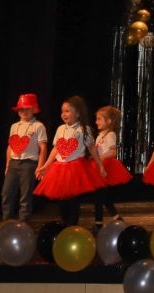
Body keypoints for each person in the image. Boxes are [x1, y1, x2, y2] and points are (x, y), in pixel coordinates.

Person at [34, 96, 106, 225]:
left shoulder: (84, 129)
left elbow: (91, 148)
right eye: (62, 111)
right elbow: (56, 149)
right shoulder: (60, 129)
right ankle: (65, 224)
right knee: (62, 200)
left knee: (72, 200)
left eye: (67, 111)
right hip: (59, 168)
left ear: (78, 113)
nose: (64, 114)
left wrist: (99, 164)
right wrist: (46, 165)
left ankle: (72, 226)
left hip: (75, 168)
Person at [2, 93, 48, 222]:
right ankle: (6, 223)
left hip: (29, 164)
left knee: (25, 197)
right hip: (13, 163)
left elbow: (43, 147)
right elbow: (10, 147)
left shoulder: (38, 126)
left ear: (34, 109)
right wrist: (7, 165)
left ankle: (23, 225)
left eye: (27, 108)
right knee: (6, 194)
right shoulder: (14, 126)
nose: (24, 111)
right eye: (21, 109)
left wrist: (40, 166)